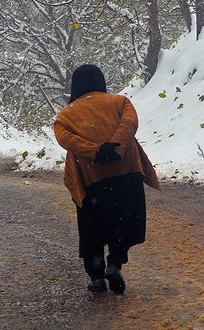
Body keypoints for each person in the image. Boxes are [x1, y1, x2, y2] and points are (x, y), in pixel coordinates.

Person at [53, 64, 161, 294]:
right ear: (101, 82)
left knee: (92, 227)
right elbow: (130, 124)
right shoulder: (120, 102)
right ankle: (115, 263)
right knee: (123, 221)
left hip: (92, 179)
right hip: (126, 173)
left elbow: (66, 140)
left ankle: (96, 277)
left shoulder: (65, 116)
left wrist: (95, 151)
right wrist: (116, 147)